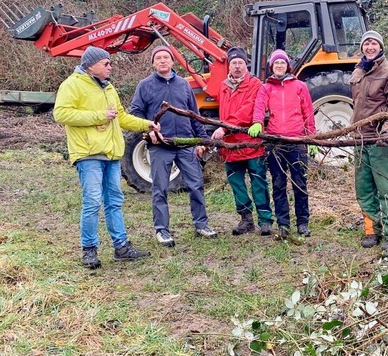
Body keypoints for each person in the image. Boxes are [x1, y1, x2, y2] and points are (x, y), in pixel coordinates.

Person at [54, 46, 155, 269]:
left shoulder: (108, 87)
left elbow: (121, 118)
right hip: (88, 153)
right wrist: (99, 116)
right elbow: (61, 113)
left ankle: (121, 247)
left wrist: (145, 123)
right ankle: (89, 250)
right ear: (91, 65)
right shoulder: (72, 85)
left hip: (111, 153)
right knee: (92, 202)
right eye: (105, 63)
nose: (110, 67)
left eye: (110, 63)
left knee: (115, 201)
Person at [129, 45, 218, 247]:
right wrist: (148, 131)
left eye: (166, 57)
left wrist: (202, 139)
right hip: (160, 146)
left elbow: (194, 115)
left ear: (172, 61)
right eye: (158, 58)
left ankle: (201, 224)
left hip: (185, 144)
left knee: (196, 185)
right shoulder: (144, 85)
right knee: (160, 188)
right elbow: (135, 112)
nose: (162, 61)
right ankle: (162, 230)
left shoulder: (183, 85)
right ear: (153, 63)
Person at [248, 49, 317, 238]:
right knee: (278, 184)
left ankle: (303, 222)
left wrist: (311, 138)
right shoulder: (266, 88)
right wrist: (257, 122)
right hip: (275, 143)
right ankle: (283, 224)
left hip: (297, 141)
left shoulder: (300, 86)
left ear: (288, 65)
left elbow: (308, 113)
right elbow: (260, 107)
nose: (279, 65)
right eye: (276, 63)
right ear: (272, 66)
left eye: (282, 62)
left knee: (299, 183)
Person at [349, 30, 388, 251]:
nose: (370, 47)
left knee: (387, 188)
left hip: (381, 140)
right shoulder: (358, 72)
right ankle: (372, 231)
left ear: (380, 47)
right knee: (363, 189)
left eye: (374, 43)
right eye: (366, 44)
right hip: (359, 138)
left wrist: (387, 130)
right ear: (362, 48)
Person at [211, 47, 273, 236]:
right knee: (236, 182)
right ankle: (246, 219)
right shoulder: (223, 86)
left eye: (240, 62)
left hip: (250, 142)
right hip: (230, 145)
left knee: (258, 181)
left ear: (246, 63)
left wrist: (224, 128)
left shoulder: (255, 84)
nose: (237, 66)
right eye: (234, 63)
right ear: (229, 66)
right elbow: (223, 112)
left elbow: (247, 110)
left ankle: (265, 220)